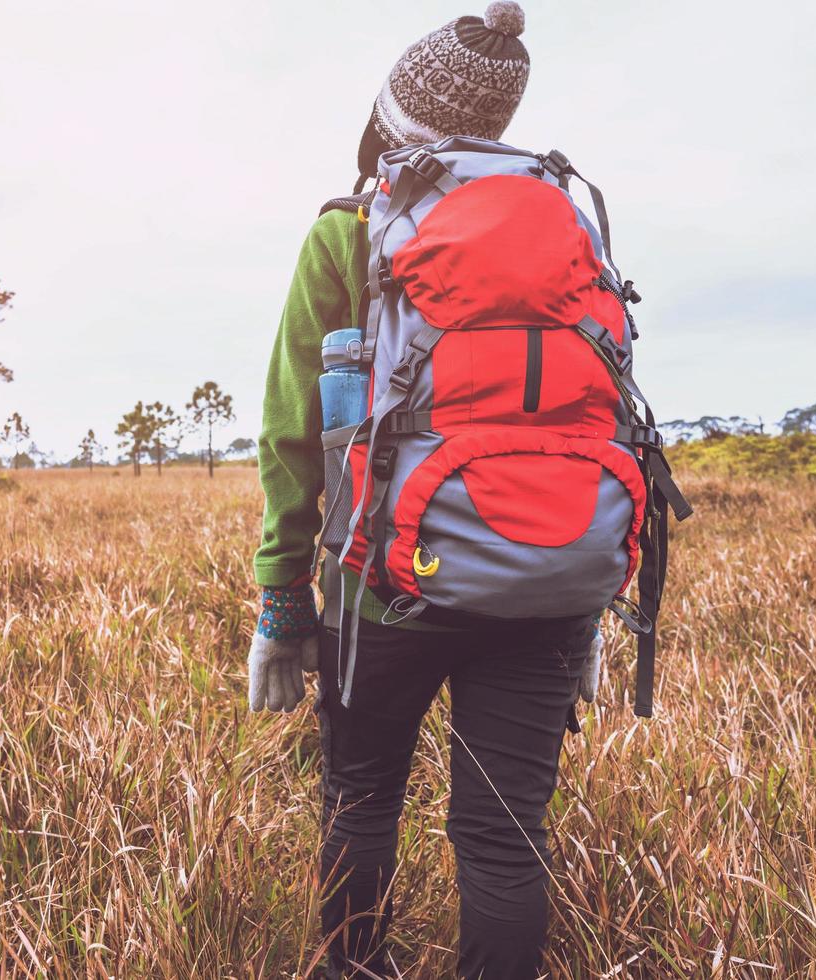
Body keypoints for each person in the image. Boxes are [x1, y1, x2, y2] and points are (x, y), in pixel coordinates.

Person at [246, 5, 605, 977]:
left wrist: (282, 604)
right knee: (502, 837)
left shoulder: (344, 233)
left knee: (360, 803)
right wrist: (586, 601)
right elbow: (591, 410)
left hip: (379, 585)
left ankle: (350, 965)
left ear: (388, 115)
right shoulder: (566, 220)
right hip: (551, 579)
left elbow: (288, 437)